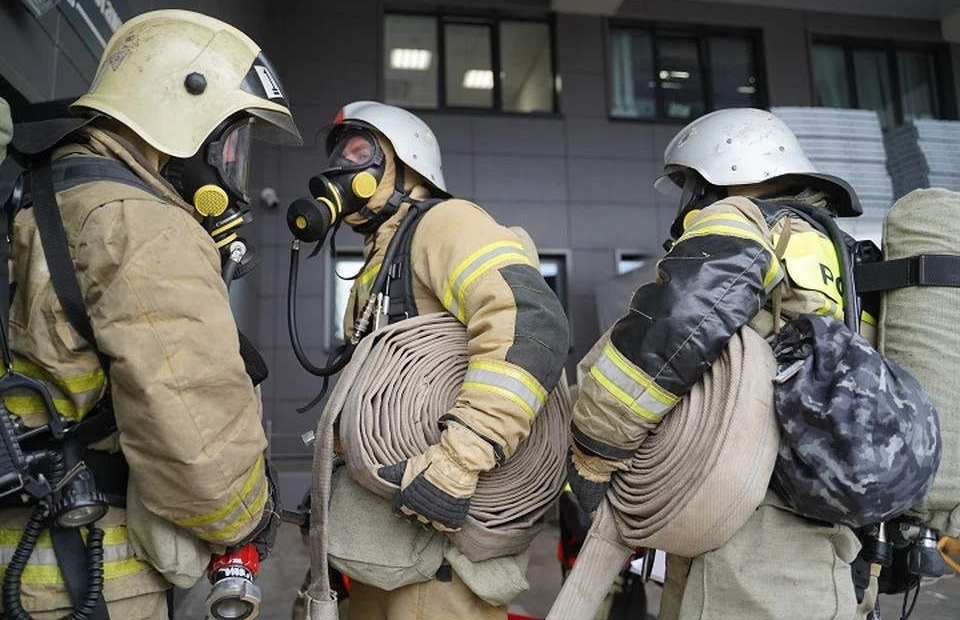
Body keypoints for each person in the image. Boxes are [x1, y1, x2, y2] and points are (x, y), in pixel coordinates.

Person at [0, 9, 301, 619]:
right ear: (179, 115)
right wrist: (248, 517)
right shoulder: (145, 224)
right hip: (85, 571)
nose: (233, 175)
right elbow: (195, 426)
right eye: (230, 141)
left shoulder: (39, 189)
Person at [567, 108, 875, 619]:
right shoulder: (834, 247)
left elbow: (672, 329)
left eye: (691, 185)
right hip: (827, 500)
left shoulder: (741, 219)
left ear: (720, 174)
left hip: (746, 505)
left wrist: (596, 448)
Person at [301, 100, 569, 620]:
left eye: (361, 153)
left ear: (408, 166)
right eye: (340, 154)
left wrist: (457, 462)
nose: (342, 166)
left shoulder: (445, 223)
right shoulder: (383, 256)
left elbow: (530, 320)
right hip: (387, 545)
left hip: (441, 556)